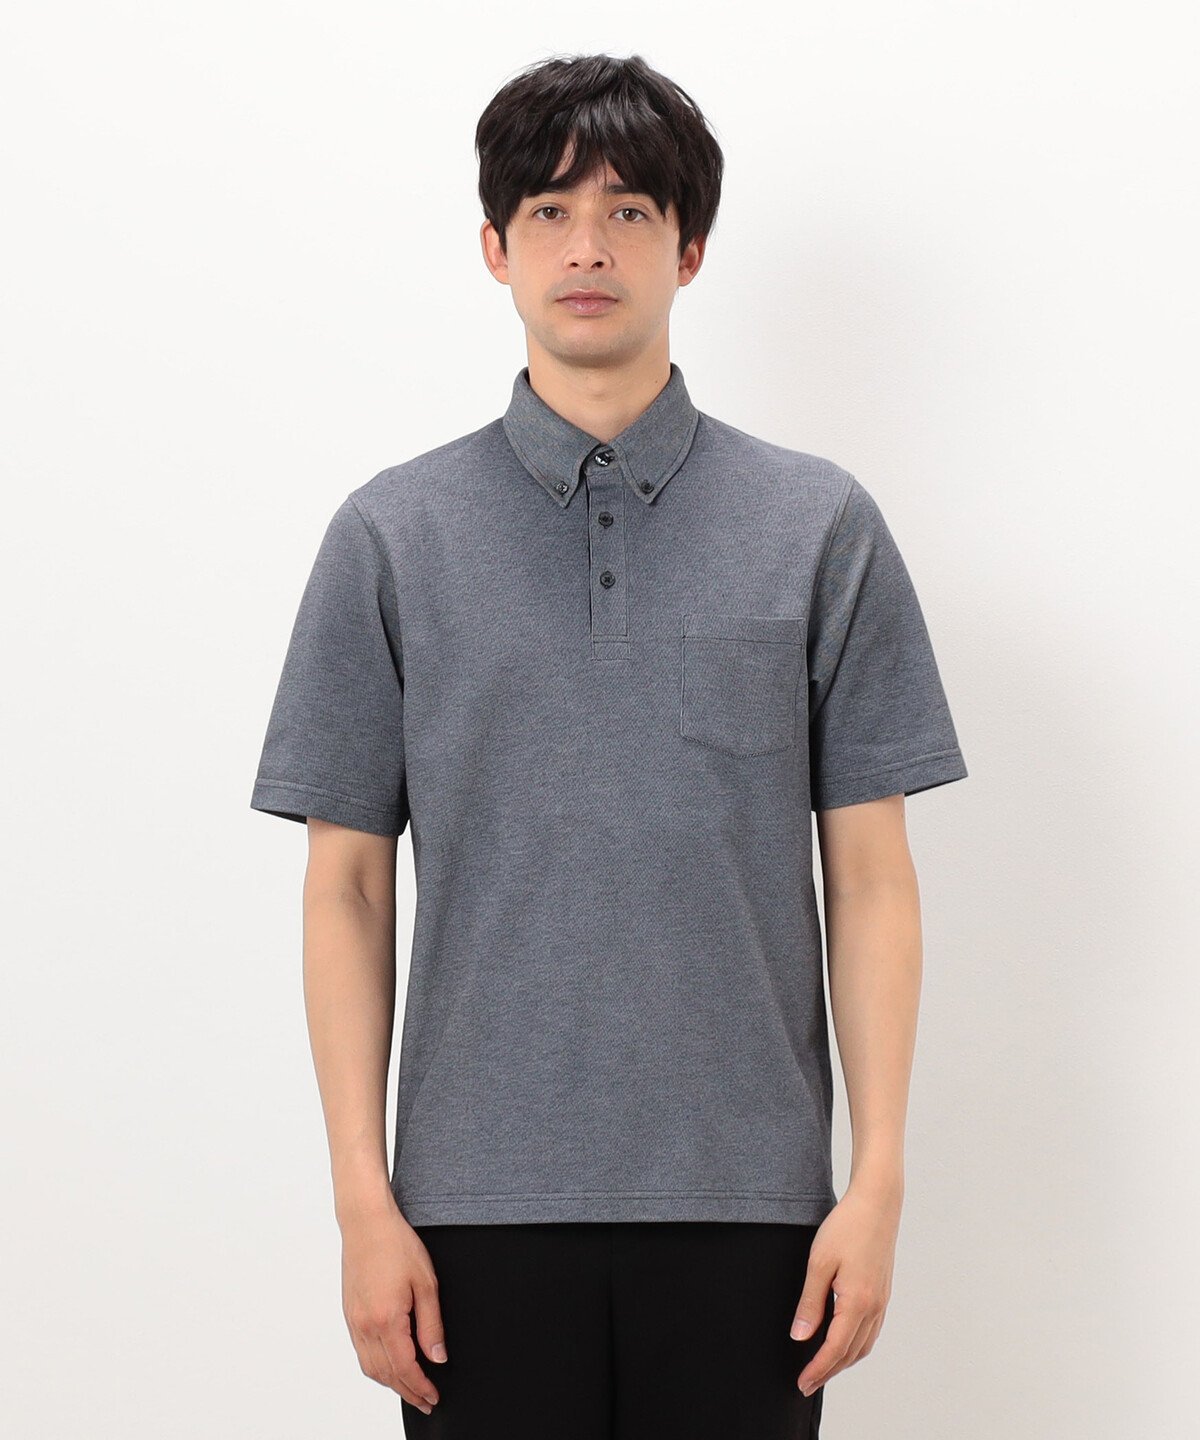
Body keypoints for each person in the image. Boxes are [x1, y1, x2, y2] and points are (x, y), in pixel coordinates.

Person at [249, 50, 968, 1440]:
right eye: (550, 212)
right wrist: (361, 1202)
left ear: (689, 251)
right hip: (467, 1217)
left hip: (753, 1210)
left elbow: (873, 876)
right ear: (496, 247)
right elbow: (345, 887)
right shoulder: (390, 535)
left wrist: (877, 1179)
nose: (588, 247)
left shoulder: (818, 525)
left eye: (630, 210)